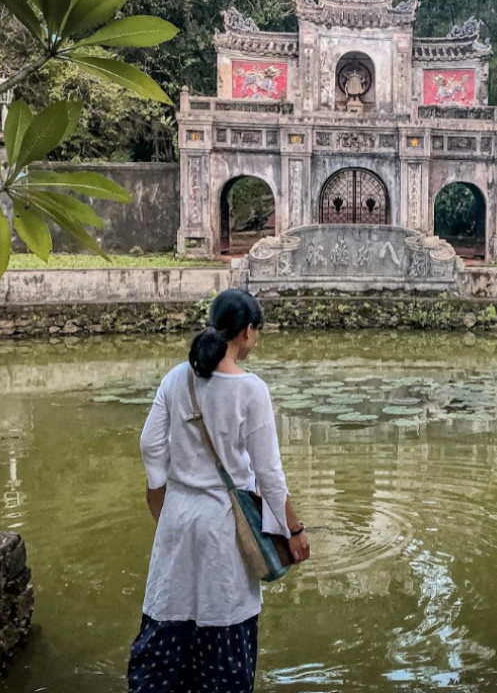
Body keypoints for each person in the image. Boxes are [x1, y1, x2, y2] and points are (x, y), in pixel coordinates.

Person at [129, 289, 310, 693]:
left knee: (168, 620)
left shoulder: (177, 378)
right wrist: (294, 531)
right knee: (223, 630)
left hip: (177, 519)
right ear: (246, 332)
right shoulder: (251, 390)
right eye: (256, 332)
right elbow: (269, 476)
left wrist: (159, 493)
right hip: (226, 530)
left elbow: (150, 443)